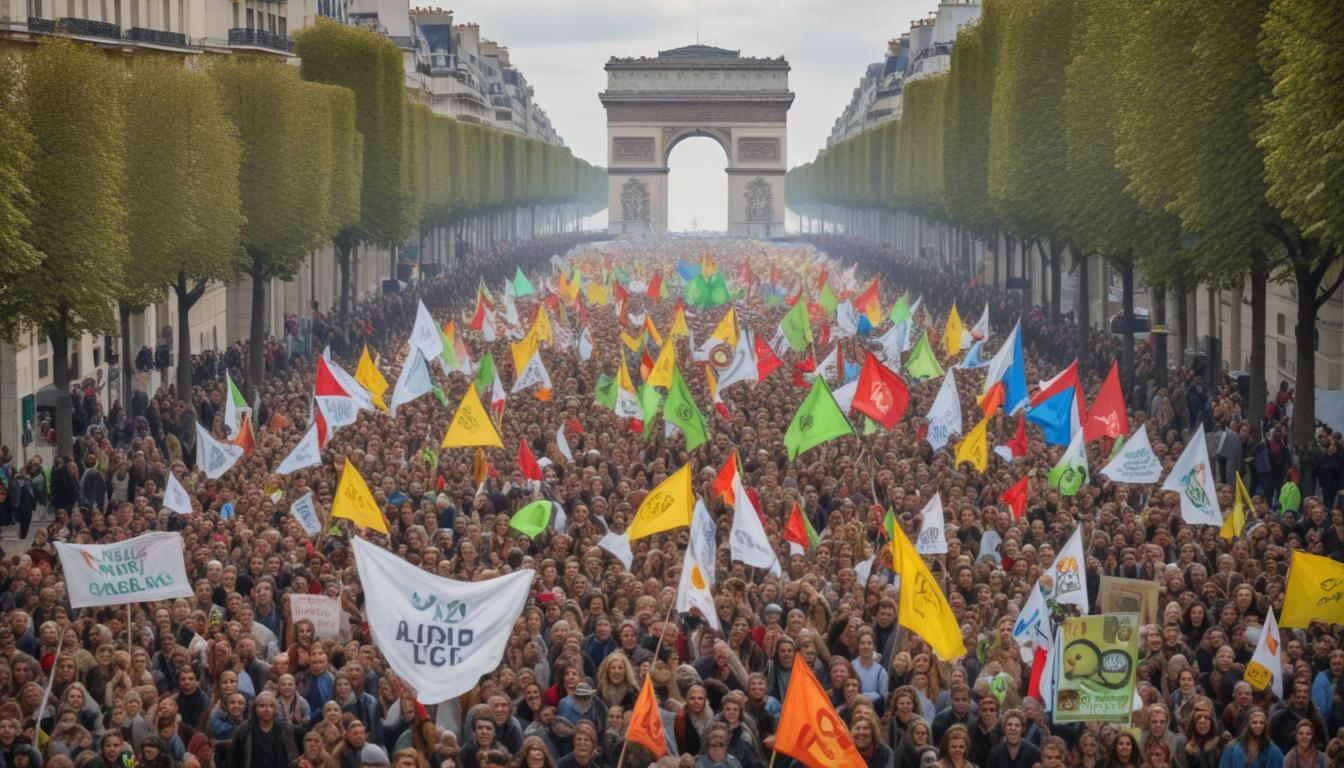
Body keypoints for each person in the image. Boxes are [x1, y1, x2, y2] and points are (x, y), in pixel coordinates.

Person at [228, 692, 297, 768]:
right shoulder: (244, 729)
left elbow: (293, 756)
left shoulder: (284, 729)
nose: (267, 709)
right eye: (262, 706)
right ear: (255, 709)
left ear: (275, 709)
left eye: (271, 706)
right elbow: (234, 759)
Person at [1218, 710, 1283, 768]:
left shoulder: (1272, 749)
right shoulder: (1232, 748)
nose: (1258, 725)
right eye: (1254, 722)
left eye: (1261, 723)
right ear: (1247, 724)